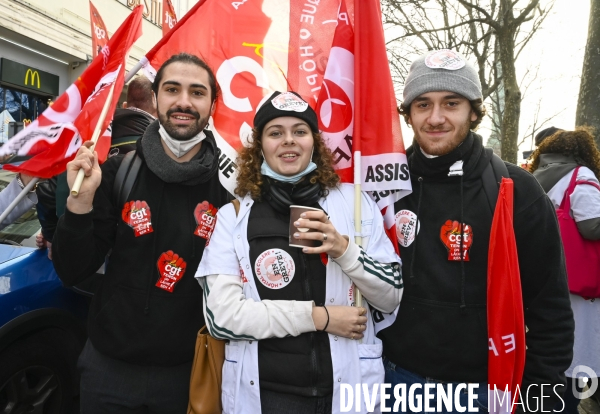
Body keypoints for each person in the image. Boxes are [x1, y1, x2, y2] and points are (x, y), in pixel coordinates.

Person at [379, 49, 574, 412]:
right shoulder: (385, 186)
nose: (435, 117)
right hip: (394, 381)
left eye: (450, 103)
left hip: (485, 390)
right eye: (422, 105)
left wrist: (537, 396)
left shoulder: (516, 189)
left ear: (473, 110)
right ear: (407, 114)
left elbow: (551, 310)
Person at [195, 91, 402, 414]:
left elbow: (390, 297)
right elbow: (222, 319)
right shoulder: (233, 216)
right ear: (259, 144)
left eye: (299, 131)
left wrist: (343, 249)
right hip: (267, 395)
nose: (288, 141)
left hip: (345, 393)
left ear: (314, 142)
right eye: (276, 132)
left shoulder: (355, 204)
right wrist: (321, 318)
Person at [51, 53, 231, 413]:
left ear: (213, 103)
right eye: (172, 89)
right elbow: (72, 269)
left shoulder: (231, 190)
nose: (183, 101)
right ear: (155, 98)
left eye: (197, 92)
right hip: (108, 371)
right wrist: (79, 204)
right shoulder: (117, 172)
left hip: (190, 373)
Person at [34, 75, 158, 254]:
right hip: (132, 260)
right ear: (157, 106)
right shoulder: (159, 150)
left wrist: (54, 238)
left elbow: (46, 192)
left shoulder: (89, 139)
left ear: (124, 106)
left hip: (83, 257)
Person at [529, 127, 600, 414]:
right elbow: (591, 226)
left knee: (555, 346)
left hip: (547, 277)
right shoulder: (581, 176)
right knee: (581, 348)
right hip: (581, 282)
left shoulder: (536, 177)